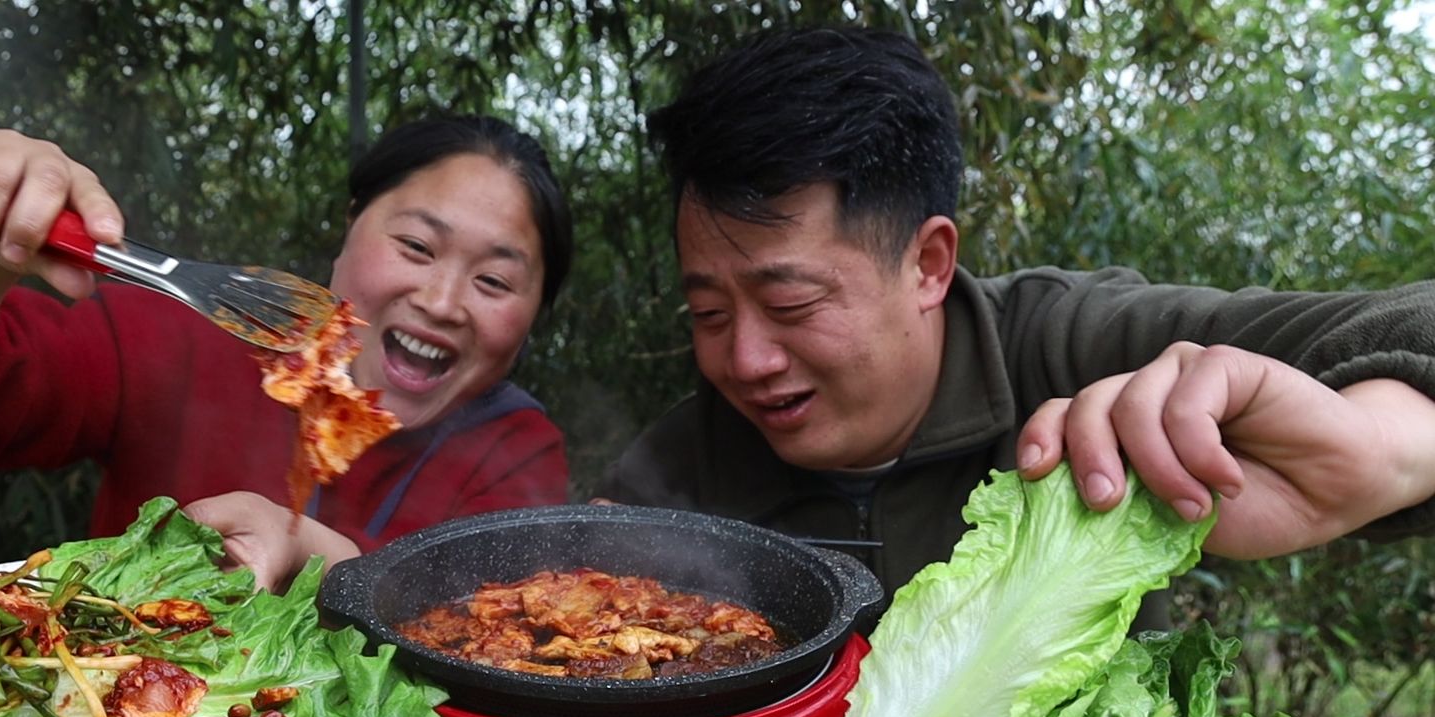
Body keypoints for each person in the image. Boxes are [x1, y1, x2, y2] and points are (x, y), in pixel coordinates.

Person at [600, 25, 1435, 619]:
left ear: (928, 264)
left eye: (792, 305)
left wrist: (1382, 450)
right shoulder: (675, 472)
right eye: (707, 312)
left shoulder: (1074, 345)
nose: (745, 359)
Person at [0, 114, 574, 589]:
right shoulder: (190, 335)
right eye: (416, 246)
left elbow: (484, 629)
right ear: (352, 224)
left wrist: (318, 558)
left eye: (494, 280)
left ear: (536, 311)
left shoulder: (517, 452)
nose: (443, 302)